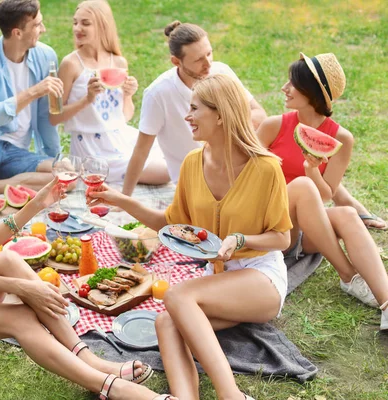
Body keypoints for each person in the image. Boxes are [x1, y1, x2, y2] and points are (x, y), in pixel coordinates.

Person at [0, 93, 174, 400]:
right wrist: (25, 289)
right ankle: (109, 387)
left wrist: (40, 201)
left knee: (12, 261)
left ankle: (88, 358)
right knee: (19, 315)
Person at [88, 74, 291, 400]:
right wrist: (118, 199)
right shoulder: (193, 164)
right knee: (166, 324)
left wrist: (240, 241)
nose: (187, 116)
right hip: (216, 280)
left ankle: (231, 395)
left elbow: (282, 238)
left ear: (221, 114)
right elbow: (169, 223)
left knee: (178, 296)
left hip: (260, 276)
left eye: (195, 109)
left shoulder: (266, 168)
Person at [257, 52, 388, 327]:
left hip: (307, 227)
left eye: (292, 83)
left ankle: (386, 303)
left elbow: (327, 195)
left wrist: (312, 169)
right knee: (303, 187)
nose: (284, 88)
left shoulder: (341, 138)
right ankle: (349, 274)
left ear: (312, 92)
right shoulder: (273, 126)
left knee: (348, 216)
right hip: (271, 225)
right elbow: (245, 175)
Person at [122, 21, 267, 196]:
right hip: (194, 183)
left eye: (209, 53)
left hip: (234, 169)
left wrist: (229, 131)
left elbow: (259, 114)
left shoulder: (222, 72)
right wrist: (125, 198)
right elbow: (141, 150)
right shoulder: (158, 94)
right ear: (176, 61)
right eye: (199, 59)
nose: (208, 64)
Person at [48, 0, 169, 184]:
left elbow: (124, 116)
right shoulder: (70, 64)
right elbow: (54, 118)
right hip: (91, 149)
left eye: (85, 23)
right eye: (75, 22)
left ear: (102, 26)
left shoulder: (119, 63)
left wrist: (128, 95)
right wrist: (87, 99)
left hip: (121, 137)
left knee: (172, 149)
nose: (77, 28)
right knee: (165, 173)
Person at [0, 0, 64, 194]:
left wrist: (55, 158)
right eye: (36, 25)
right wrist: (33, 92)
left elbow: (46, 115)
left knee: (66, 175)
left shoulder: (46, 56)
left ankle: (2, 183)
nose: (43, 29)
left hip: (17, 152)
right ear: (17, 33)